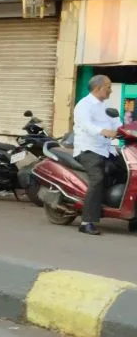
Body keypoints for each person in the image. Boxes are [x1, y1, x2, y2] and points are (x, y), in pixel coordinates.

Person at [73, 74, 120, 236]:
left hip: (107, 149)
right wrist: (103, 131)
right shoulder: (83, 105)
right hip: (88, 150)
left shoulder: (105, 106)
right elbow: (86, 125)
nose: (111, 90)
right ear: (98, 88)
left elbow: (117, 124)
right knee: (97, 178)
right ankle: (87, 222)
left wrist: (127, 130)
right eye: (108, 87)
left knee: (126, 171)